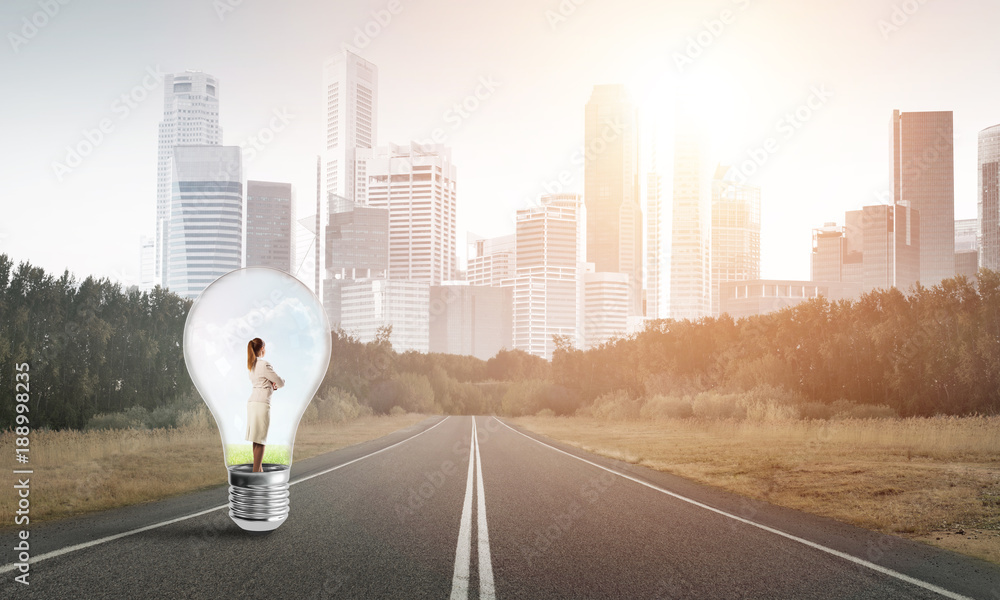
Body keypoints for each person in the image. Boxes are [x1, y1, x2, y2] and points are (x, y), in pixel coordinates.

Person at [246, 337, 285, 472]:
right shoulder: (264, 364)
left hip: (252, 404)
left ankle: (259, 470)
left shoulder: (251, 365)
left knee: (256, 439)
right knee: (261, 440)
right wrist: (276, 384)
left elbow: (262, 381)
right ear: (262, 348)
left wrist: (270, 384)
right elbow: (280, 382)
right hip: (262, 404)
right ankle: (256, 473)